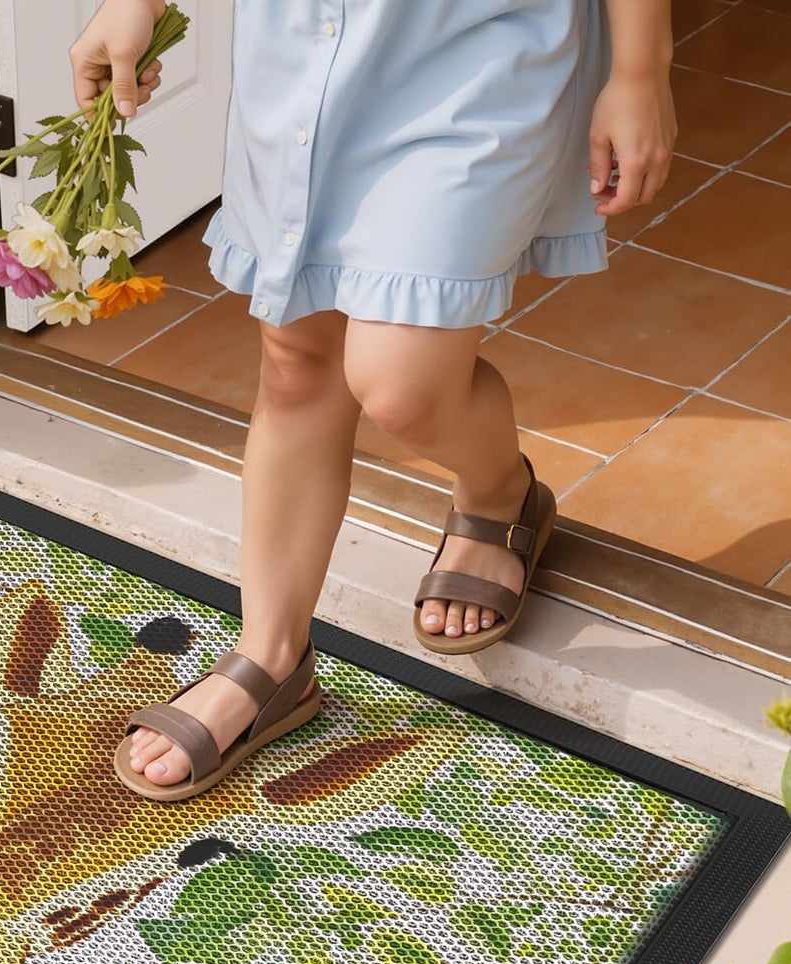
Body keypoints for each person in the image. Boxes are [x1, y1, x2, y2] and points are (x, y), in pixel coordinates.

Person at [70, 0, 676, 801]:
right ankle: (269, 657)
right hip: (300, 46)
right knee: (295, 360)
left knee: (400, 383)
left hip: (475, 52)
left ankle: (498, 491)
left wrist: (640, 69)